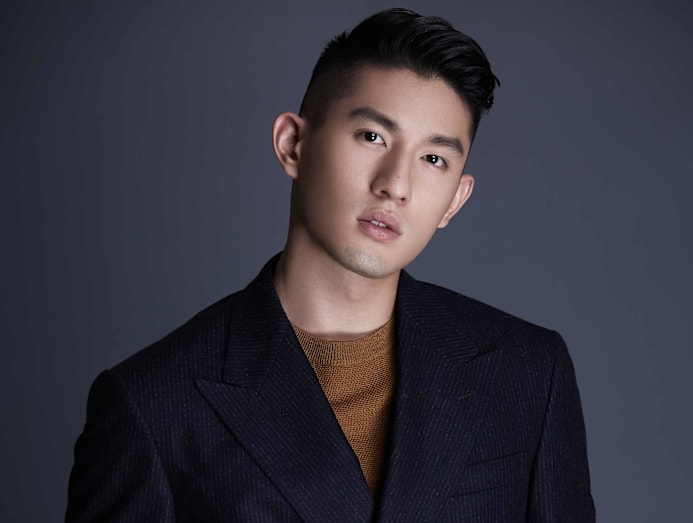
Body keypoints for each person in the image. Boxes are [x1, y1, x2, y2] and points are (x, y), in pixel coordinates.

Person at [66, 8, 595, 522]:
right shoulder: (152, 404)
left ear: (455, 200)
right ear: (292, 144)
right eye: (372, 137)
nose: (396, 184)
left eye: (434, 159)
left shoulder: (528, 372)